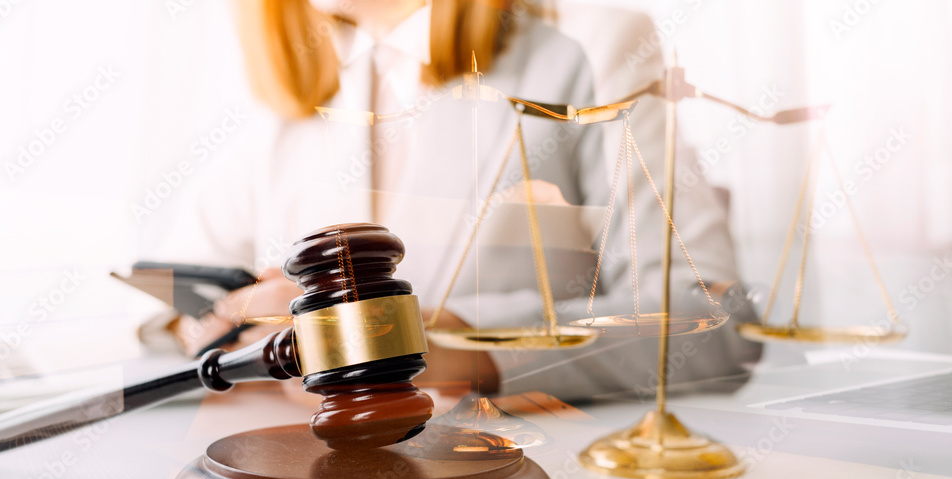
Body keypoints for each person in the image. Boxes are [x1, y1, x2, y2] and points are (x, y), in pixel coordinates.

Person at [152, 0, 761, 402]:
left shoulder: (591, 46)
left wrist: (443, 345)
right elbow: (168, 298)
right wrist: (219, 327)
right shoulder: (302, 89)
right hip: (298, 474)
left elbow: (711, 319)